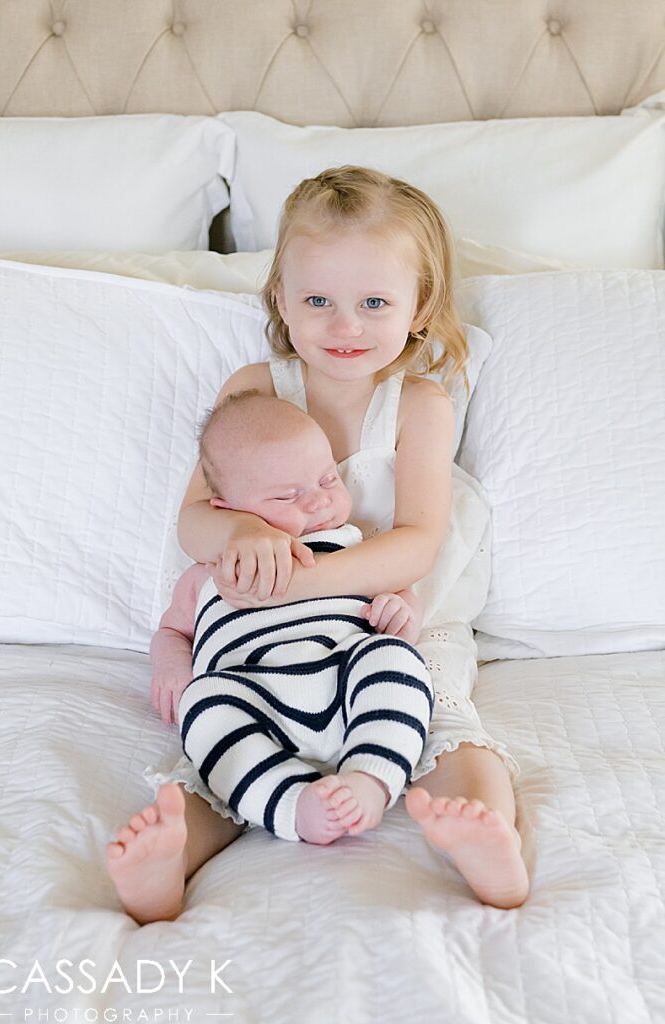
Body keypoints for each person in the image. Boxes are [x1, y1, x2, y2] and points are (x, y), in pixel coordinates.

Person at [106, 165, 530, 924]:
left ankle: (486, 837)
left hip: (396, 616)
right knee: (218, 741)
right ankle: (172, 854)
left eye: (373, 303)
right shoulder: (256, 388)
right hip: (268, 631)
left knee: (442, 716)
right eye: (317, 302)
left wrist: (302, 584)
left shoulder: (418, 404)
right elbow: (192, 521)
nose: (345, 327)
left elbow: (416, 544)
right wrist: (236, 528)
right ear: (281, 301)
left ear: (419, 305)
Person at [148, 389, 436, 847]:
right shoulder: (208, 573)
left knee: (393, 659)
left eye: (327, 480)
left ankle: (369, 776)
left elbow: (400, 593)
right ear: (231, 512)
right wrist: (169, 665)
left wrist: (402, 612)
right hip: (253, 695)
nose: (320, 503)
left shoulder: (352, 547)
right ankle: (291, 804)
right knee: (204, 706)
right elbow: (172, 629)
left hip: (344, 683)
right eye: (288, 496)